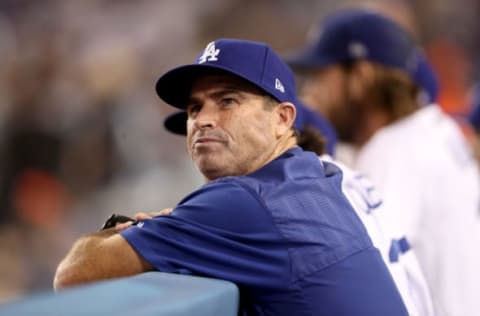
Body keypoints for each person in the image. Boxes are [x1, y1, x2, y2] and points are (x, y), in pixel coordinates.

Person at [54, 38, 409, 315]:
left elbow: (71, 276)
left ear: (283, 119)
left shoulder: (244, 201)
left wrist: (119, 232)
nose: (202, 120)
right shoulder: (315, 175)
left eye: (227, 101)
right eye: (194, 108)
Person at [288, 9, 480, 316]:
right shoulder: (434, 129)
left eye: (320, 77)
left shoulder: (394, 152)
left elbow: (355, 279)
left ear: (360, 76)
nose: (311, 94)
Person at [165, 100, 435, 316]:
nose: (204, 130)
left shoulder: (277, 200)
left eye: (228, 107)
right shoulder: (340, 189)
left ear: (285, 131)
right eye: (195, 111)